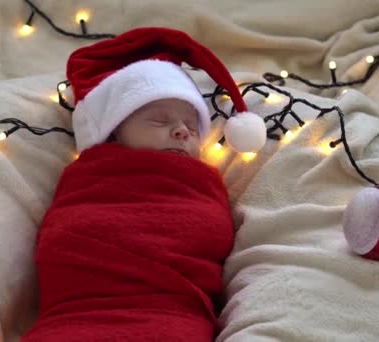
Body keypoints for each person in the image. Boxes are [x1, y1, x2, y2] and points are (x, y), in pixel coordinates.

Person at [21, 27, 263, 341]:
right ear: (114, 132)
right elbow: (67, 235)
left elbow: (209, 233)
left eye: (191, 126)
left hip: (167, 313)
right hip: (76, 312)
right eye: (159, 120)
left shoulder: (200, 181)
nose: (181, 131)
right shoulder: (90, 174)